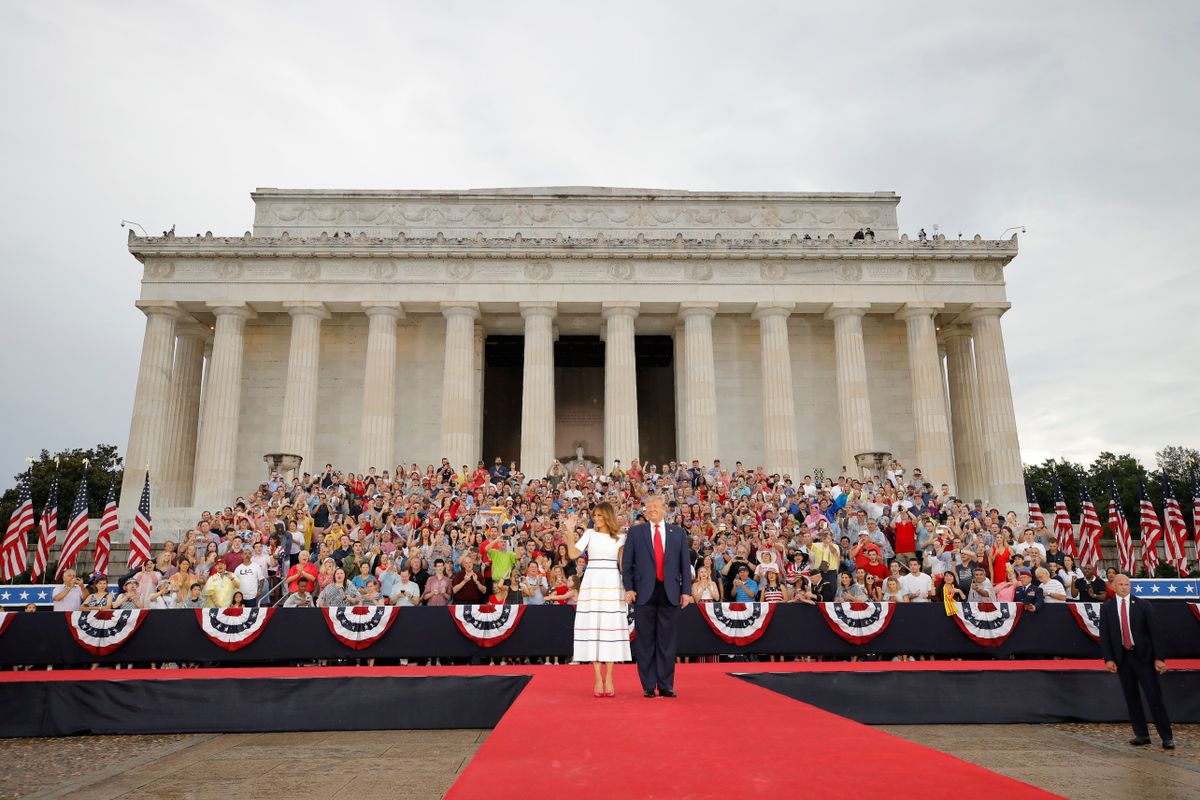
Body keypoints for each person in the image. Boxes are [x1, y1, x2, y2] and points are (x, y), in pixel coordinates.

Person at [622, 494, 693, 699]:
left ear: (664, 509)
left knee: (667, 641)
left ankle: (665, 684)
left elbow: (684, 566)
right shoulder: (636, 533)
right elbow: (627, 564)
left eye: (655, 506)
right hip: (643, 593)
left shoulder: (678, 533)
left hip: (670, 593)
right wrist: (629, 588)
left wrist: (686, 591)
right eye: (648, 506)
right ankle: (648, 685)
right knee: (645, 641)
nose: (651, 509)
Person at [1099, 573, 1173, 749]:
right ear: (1114, 587)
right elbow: (1105, 635)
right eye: (1121, 584)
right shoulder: (1107, 608)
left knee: (1154, 697)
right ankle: (1141, 734)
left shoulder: (1143, 605)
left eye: (1127, 584)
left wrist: (1159, 658)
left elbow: (1155, 632)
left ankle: (1166, 736)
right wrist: (1108, 658)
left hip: (1144, 658)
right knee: (1131, 698)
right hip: (1123, 659)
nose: (1125, 587)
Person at [564, 502, 631, 697]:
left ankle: (609, 676)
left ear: (608, 516)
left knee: (610, 628)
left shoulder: (621, 537)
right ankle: (596, 677)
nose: (596, 519)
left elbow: (622, 565)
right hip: (592, 581)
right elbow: (573, 554)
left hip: (612, 582)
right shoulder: (590, 534)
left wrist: (628, 588)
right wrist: (569, 531)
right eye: (595, 516)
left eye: (600, 516)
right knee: (593, 626)